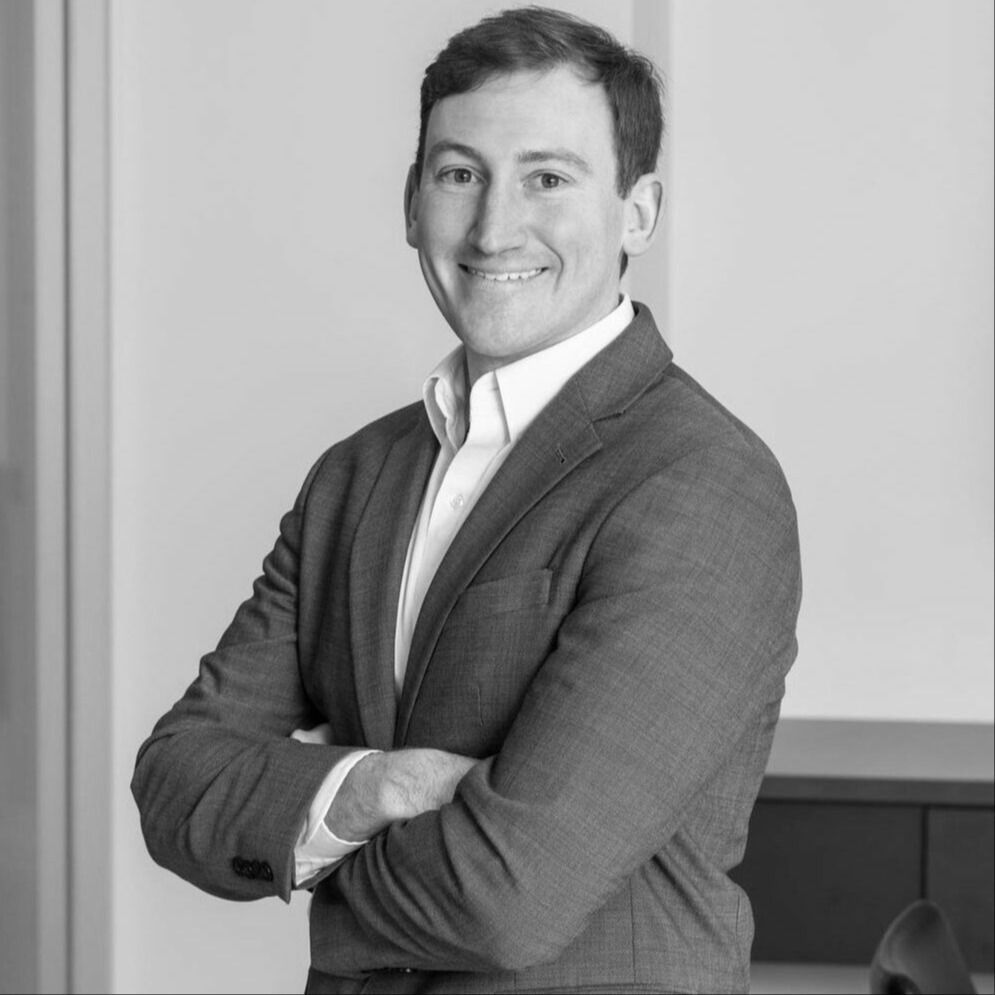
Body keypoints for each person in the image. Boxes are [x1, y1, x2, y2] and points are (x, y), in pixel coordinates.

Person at [132, 7, 802, 994]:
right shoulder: (355, 477)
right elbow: (175, 777)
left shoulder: (698, 481)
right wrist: (372, 787)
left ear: (637, 211)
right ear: (411, 203)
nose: (494, 227)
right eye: (459, 174)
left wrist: (321, 874)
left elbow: (510, 896)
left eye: (546, 178)